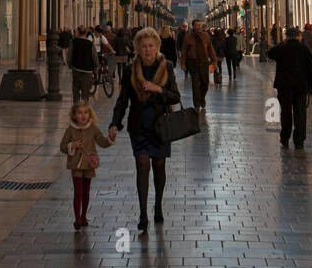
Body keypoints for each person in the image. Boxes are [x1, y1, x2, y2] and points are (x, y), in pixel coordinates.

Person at [109, 26, 181, 233]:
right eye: (143, 47)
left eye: (151, 46)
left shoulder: (166, 66)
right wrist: (115, 122)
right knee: (142, 165)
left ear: (157, 46)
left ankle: (158, 204)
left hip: (161, 125)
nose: (147, 50)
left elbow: (175, 97)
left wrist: (158, 89)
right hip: (139, 125)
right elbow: (122, 100)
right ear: (137, 49)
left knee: (159, 166)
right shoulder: (132, 69)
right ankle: (143, 213)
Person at [59, 100, 113, 229]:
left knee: (86, 192)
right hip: (76, 164)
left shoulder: (93, 128)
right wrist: (72, 145)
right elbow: (62, 146)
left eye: (86, 112)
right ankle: (77, 218)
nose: (83, 116)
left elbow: (102, 142)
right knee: (78, 191)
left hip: (89, 164)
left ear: (90, 114)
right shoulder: (70, 130)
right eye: (79, 113)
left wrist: (111, 138)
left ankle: (84, 216)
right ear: (74, 115)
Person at [268, 26, 312, 149]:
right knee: (300, 113)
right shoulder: (304, 49)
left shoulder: (282, 48)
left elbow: (270, 53)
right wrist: (311, 84)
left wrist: (282, 43)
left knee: (286, 112)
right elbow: (311, 68)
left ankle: (285, 137)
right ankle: (299, 140)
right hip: (301, 86)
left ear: (286, 37)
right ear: (298, 37)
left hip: (284, 86)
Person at [180, 20, 217, 111]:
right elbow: (184, 51)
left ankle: (202, 97)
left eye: (199, 25)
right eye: (196, 25)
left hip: (204, 62)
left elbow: (210, 49)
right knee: (195, 84)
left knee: (205, 83)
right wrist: (183, 64)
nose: (198, 27)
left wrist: (214, 61)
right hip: (193, 63)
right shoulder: (188, 37)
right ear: (193, 26)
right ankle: (196, 104)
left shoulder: (205, 36)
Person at [69, 25, 97, 101]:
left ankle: (76, 105)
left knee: (75, 87)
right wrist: (96, 66)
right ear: (86, 33)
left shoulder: (73, 42)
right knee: (85, 90)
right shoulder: (90, 43)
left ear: (77, 32)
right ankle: (85, 105)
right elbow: (94, 56)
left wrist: (70, 64)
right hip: (87, 70)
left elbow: (70, 54)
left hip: (76, 68)